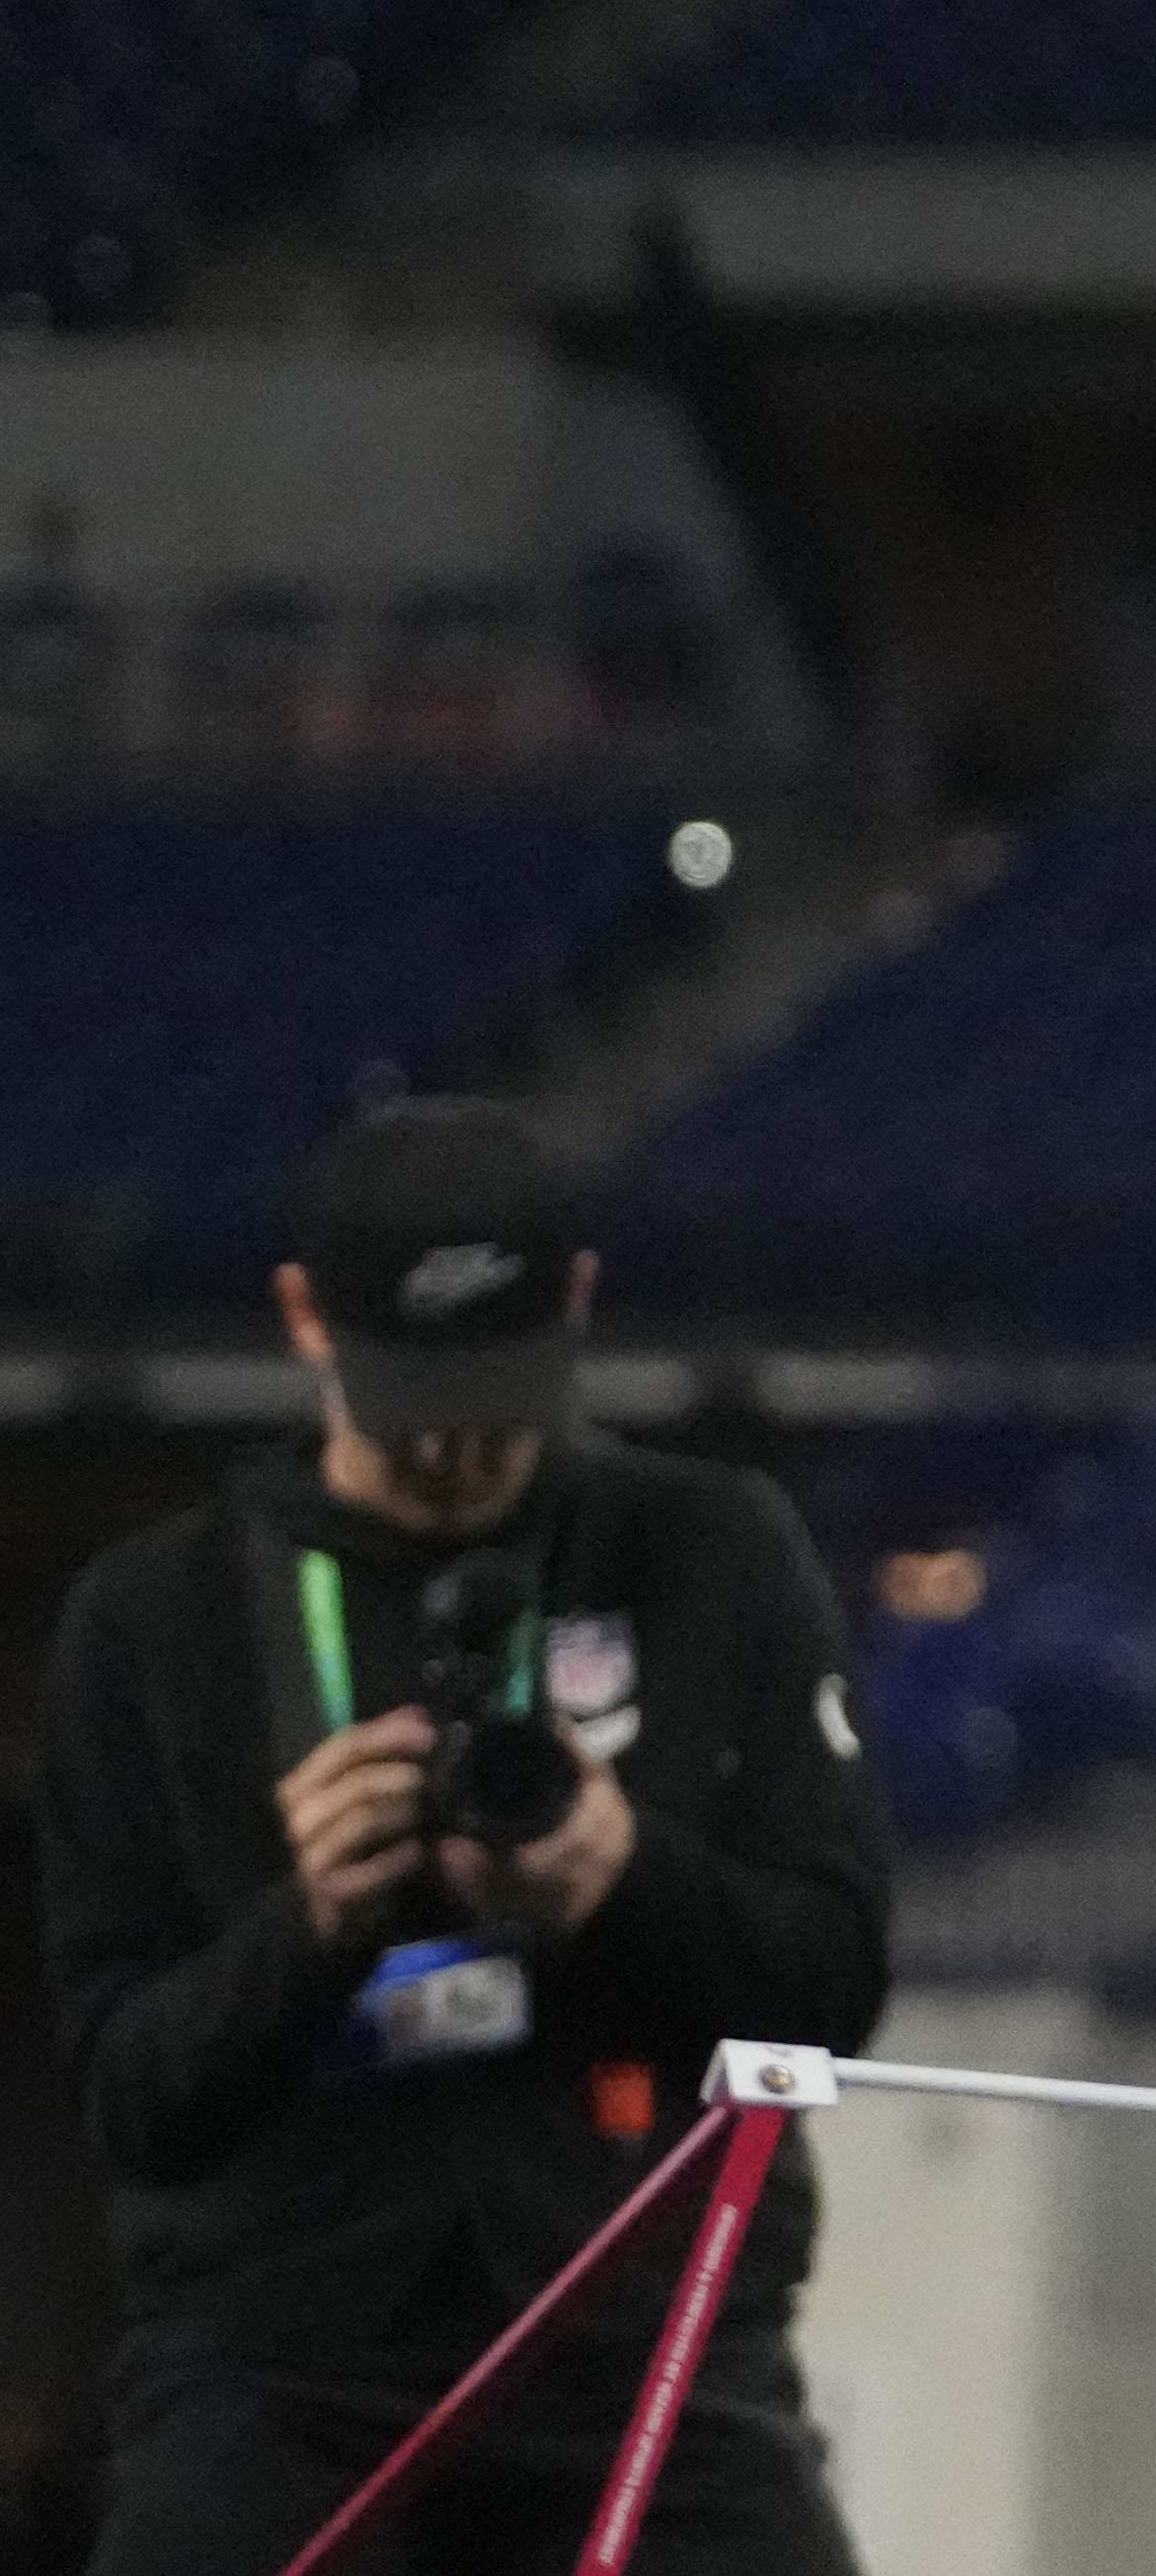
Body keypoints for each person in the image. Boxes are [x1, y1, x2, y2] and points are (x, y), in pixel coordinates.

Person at [33, 1102, 888, 2576]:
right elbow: (132, 2096)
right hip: (283, 2371)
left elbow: (824, 1997)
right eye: (409, 1393)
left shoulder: (713, 1551)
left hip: (649, 2349)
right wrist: (306, 1925)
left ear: (577, 1305)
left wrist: (619, 1880)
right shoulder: (154, 1621)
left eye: (496, 1396)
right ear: (306, 1318)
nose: (449, 1447)